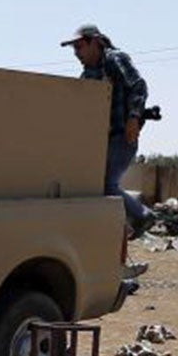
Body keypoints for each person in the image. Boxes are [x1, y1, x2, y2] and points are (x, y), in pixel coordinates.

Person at [64, 23, 154, 236]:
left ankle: (141, 215)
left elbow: (138, 86)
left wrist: (133, 117)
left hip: (122, 136)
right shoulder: (89, 73)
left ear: (94, 42)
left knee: (105, 184)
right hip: (101, 141)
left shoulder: (115, 59)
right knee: (94, 185)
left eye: (79, 47)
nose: (76, 53)